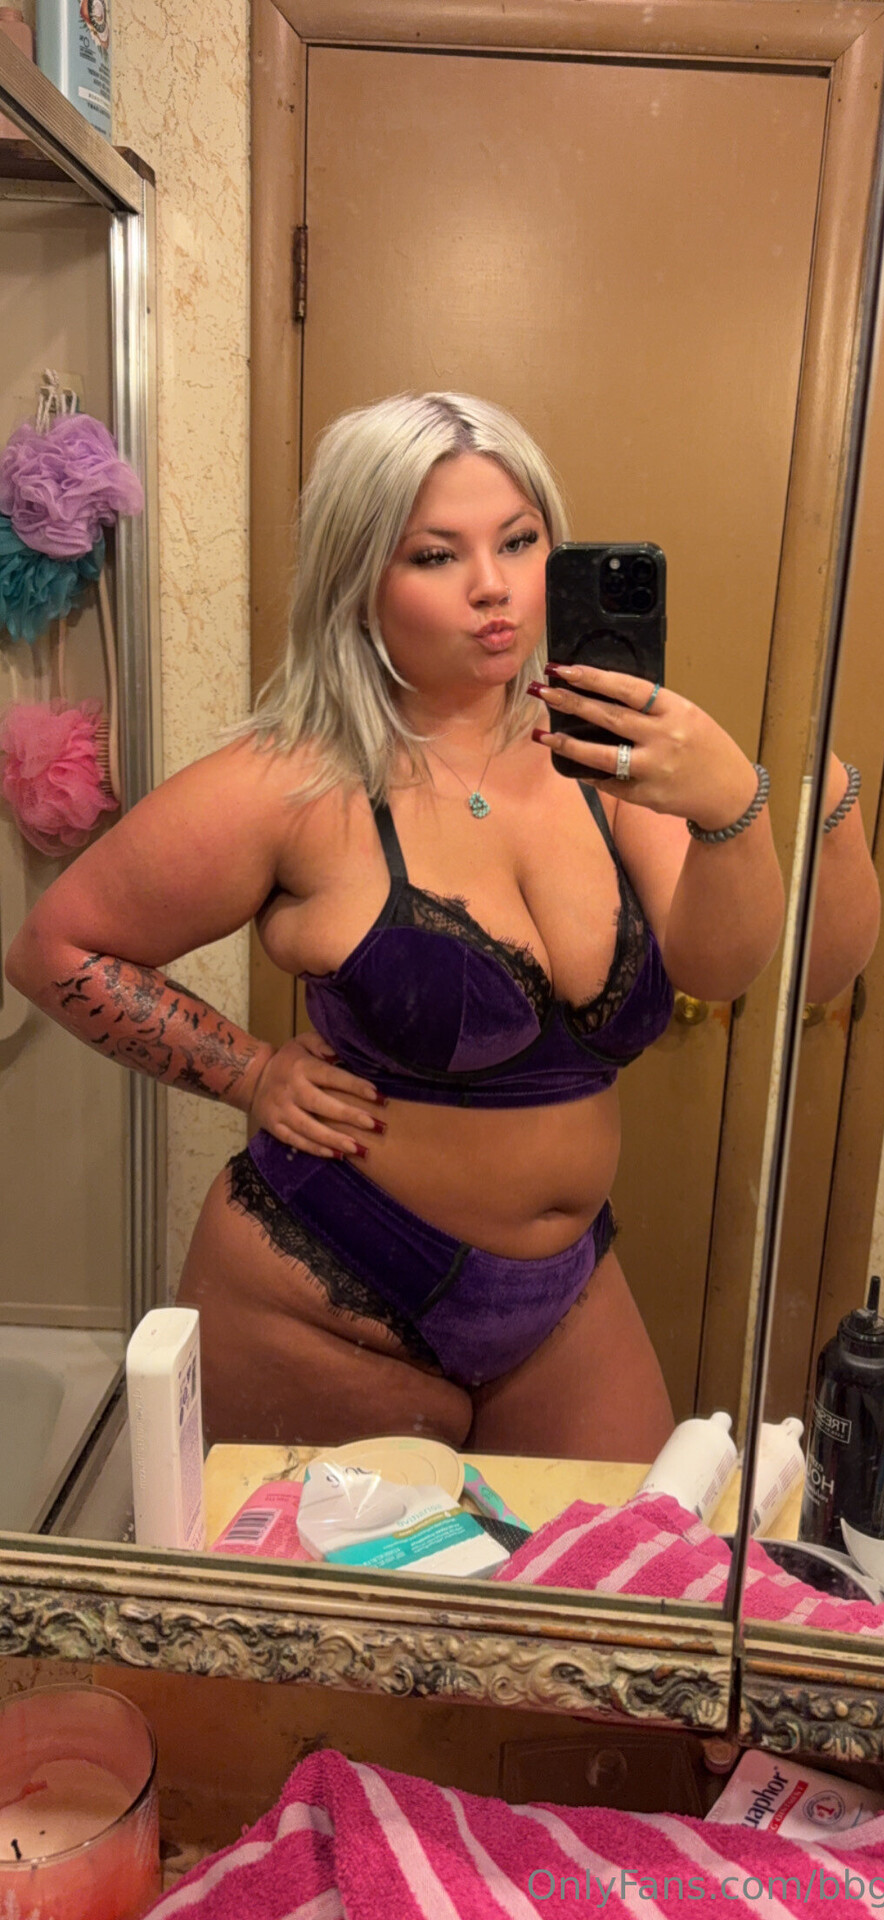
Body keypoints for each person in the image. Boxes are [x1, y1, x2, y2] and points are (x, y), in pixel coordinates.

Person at [7, 391, 795, 1458]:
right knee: (338, 1583)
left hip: (565, 1302)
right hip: (322, 1296)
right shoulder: (291, 779)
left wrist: (730, 806)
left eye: (519, 540)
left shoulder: (608, 755)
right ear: (359, 580)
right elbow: (55, 948)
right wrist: (250, 1073)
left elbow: (721, 965)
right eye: (435, 555)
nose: (493, 586)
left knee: (631, 1564)